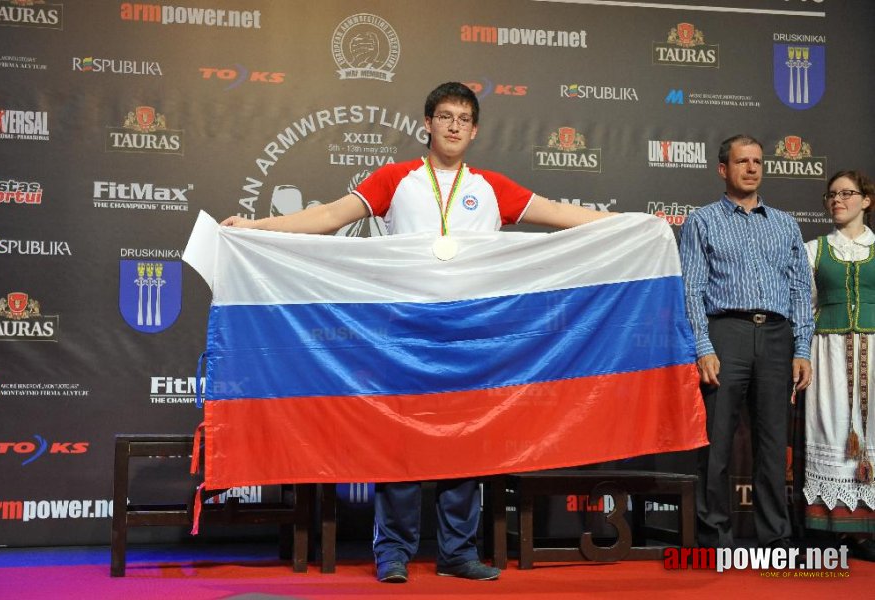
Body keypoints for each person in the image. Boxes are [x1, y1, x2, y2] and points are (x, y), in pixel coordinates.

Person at [222, 82, 614, 582]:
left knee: (467, 441)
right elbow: (327, 216)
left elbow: (561, 215)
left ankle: (457, 552)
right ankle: (394, 553)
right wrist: (254, 227)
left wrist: (629, 224)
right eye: (444, 116)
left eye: (463, 118)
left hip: (473, 332)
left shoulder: (491, 187)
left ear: (474, 130)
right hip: (404, 329)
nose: (453, 125)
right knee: (399, 441)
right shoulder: (396, 178)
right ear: (426, 124)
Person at [679, 134, 814, 549]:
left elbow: (799, 291)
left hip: (777, 337)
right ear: (723, 169)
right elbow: (692, 289)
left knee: (774, 444)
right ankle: (713, 537)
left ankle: (776, 537)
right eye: (743, 162)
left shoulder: (785, 223)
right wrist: (703, 346)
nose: (752, 168)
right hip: (726, 334)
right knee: (717, 443)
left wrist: (802, 349)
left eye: (757, 161)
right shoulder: (702, 220)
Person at [803, 170, 875, 560]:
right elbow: (805, 306)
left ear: (866, 201)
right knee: (830, 429)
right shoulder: (814, 250)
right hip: (827, 352)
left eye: (847, 193)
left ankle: (868, 529)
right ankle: (827, 529)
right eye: (831, 194)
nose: (837, 200)